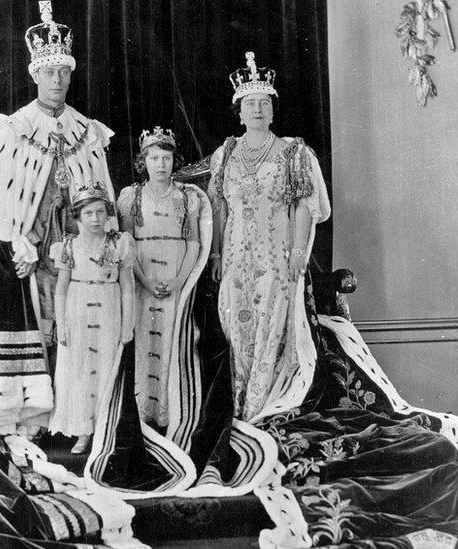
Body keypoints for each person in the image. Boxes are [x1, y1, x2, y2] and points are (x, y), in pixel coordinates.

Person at [0, 1, 117, 438]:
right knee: (41, 324)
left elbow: (103, 198)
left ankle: (78, 417)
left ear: (71, 75)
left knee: (76, 327)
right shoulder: (13, 129)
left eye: (64, 73)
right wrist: (19, 246)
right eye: (49, 73)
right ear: (35, 74)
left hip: (77, 247)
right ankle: (34, 414)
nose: (57, 81)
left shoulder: (86, 130)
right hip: (30, 249)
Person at [207, 51, 331, 422]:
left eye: (263, 103)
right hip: (234, 257)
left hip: (276, 256)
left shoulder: (293, 152)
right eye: (250, 103)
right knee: (236, 322)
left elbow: (304, 206)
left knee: (271, 323)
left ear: (273, 111)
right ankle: (243, 403)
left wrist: (297, 253)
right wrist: (215, 256)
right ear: (239, 111)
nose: (257, 109)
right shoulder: (226, 153)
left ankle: (263, 410)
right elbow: (218, 210)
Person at [117, 127, 205, 429]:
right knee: (144, 339)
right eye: (153, 158)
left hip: (175, 276)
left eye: (166, 158)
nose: (160, 165)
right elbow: (127, 243)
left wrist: (181, 279)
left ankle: (171, 412)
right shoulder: (132, 196)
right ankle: (144, 412)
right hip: (144, 279)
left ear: (173, 160)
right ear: (144, 162)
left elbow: (193, 242)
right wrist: (144, 280)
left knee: (172, 340)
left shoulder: (187, 197)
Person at [48, 182, 135, 453]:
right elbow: (61, 290)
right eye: (88, 214)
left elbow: (128, 288)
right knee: (80, 371)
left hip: (109, 311)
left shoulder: (119, 244)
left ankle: (104, 428)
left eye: (100, 212)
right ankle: (83, 431)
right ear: (78, 217)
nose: (95, 219)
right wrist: (61, 324)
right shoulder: (69, 246)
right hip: (78, 310)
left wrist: (127, 325)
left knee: (106, 368)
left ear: (108, 214)